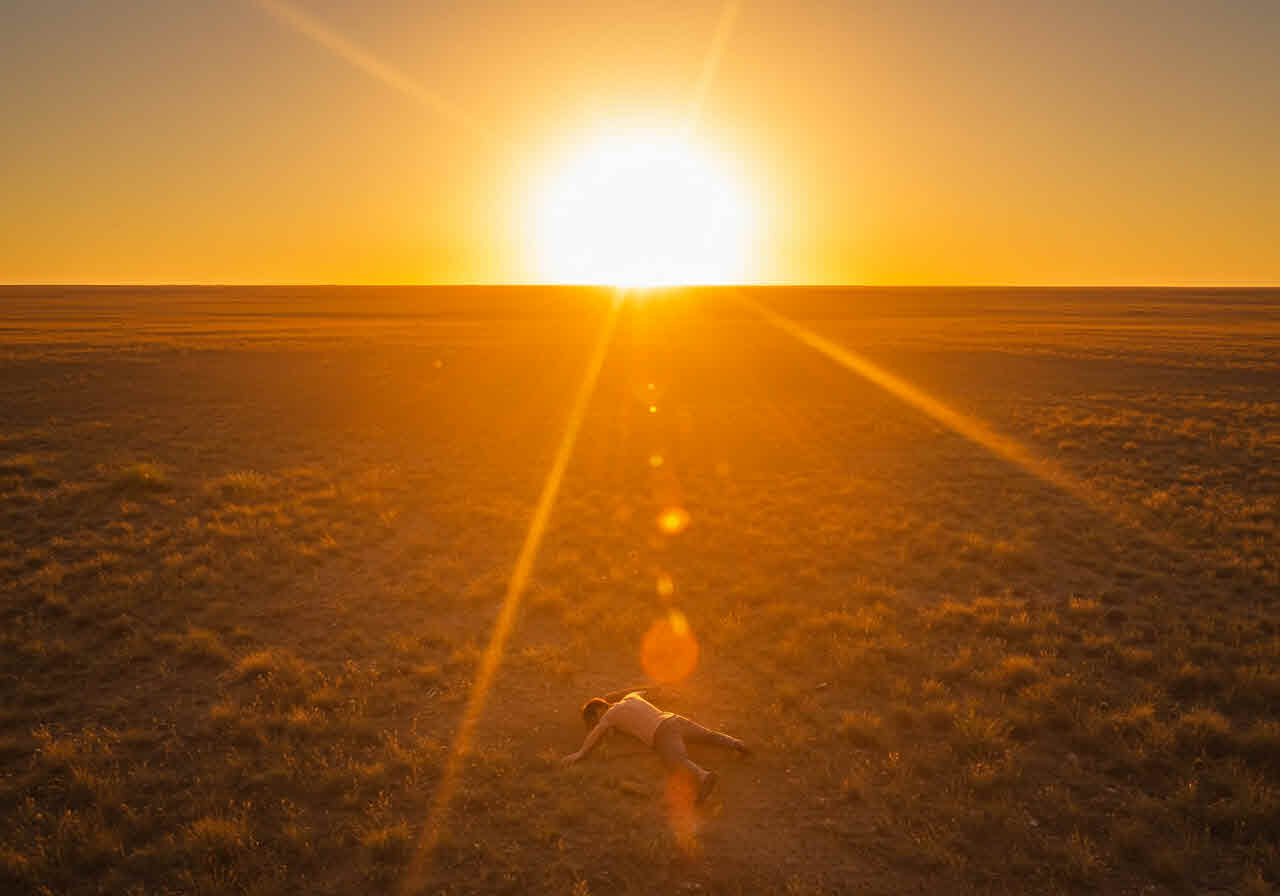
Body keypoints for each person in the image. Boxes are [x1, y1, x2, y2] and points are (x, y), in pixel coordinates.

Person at [562, 687, 749, 804]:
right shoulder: (631, 697)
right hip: (673, 718)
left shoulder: (609, 716)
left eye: (594, 719)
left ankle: (704, 776)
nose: (597, 722)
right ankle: (736, 743)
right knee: (708, 735)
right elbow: (645, 689)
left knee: (675, 761)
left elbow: (595, 735)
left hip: (660, 733)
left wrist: (580, 754)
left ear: (598, 711)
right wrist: (612, 696)